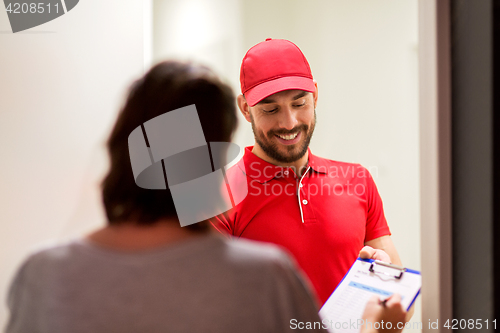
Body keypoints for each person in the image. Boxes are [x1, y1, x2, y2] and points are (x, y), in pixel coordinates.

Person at [6, 60, 406, 333]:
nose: (288, 122)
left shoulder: (43, 274)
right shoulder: (264, 278)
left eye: (299, 103)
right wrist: (372, 325)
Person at [210, 38, 403, 307]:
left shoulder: (359, 180)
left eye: (299, 104)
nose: (288, 122)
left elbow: (400, 309)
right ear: (245, 109)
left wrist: (381, 287)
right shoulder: (213, 197)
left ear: (315, 95)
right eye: (270, 109)